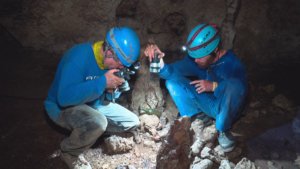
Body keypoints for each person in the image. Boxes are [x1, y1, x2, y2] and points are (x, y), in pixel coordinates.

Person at [44, 27, 141, 168]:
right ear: (109, 52)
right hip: (62, 107)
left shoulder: (111, 64)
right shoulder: (79, 57)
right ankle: (69, 153)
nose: (120, 68)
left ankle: (90, 131)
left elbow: (107, 95)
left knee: (132, 121)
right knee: (98, 122)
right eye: (120, 63)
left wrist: (112, 89)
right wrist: (102, 82)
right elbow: (64, 97)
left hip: (92, 103)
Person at [144, 23, 248, 152]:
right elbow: (170, 73)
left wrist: (214, 86)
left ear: (215, 50)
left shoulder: (233, 63)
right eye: (194, 56)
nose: (196, 60)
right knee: (172, 82)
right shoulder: (195, 59)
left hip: (226, 108)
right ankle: (198, 116)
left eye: (200, 57)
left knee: (234, 85)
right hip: (208, 103)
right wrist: (159, 61)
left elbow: (241, 89)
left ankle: (223, 129)